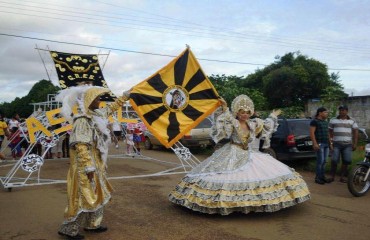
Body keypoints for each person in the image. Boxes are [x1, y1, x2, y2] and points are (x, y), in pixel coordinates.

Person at [169, 95, 310, 215]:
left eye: (248, 112)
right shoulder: (233, 122)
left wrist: (273, 116)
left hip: (249, 153)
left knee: (256, 175)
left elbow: (266, 127)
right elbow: (224, 122)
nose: (245, 114)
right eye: (242, 112)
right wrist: (224, 108)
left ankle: (252, 203)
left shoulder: (254, 124)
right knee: (223, 175)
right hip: (232, 151)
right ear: (237, 112)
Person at [56, 86, 130, 239]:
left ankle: (92, 224)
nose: (100, 101)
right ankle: (69, 229)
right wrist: (88, 168)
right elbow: (81, 146)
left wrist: (124, 97)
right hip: (85, 166)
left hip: (96, 163)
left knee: (98, 193)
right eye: (97, 98)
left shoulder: (96, 114)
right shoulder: (82, 120)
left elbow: (110, 108)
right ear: (89, 100)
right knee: (83, 196)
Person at [328, 105, 359, 183]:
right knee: (334, 160)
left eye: (343, 110)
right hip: (336, 144)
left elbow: (355, 132)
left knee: (347, 161)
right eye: (340, 110)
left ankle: (342, 177)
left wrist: (355, 143)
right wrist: (330, 143)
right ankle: (332, 176)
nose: (342, 111)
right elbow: (329, 132)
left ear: (347, 111)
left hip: (348, 145)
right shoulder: (333, 120)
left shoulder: (352, 120)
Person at [309, 107, 332, 185]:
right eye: (325, 112)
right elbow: (312, 133)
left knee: (324, 161)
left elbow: (327, 134)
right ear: (320, 113)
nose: (327, 114)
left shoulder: (325, 122)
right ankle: (318, 178)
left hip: (326, 144)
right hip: (319, 144)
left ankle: (322, 177)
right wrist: (314, 143)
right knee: (320, 161)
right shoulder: (314, 121)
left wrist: (330, 143)